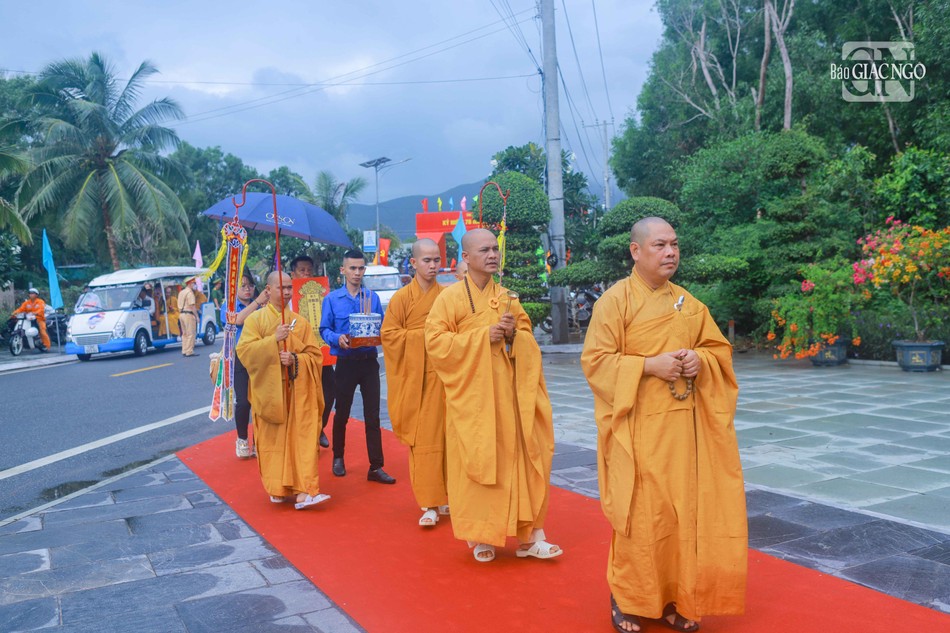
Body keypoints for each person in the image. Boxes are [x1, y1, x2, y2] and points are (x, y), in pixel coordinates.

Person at [580, 217, 746, 633]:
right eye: (660, 245)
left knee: (682, 518)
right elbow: (595, 363)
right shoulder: (614, 302)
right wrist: (647, 365)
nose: (670, 252)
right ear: (636, 251)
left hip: (683, 434)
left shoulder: (688, 303)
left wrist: (699, 361)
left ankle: (676, 596)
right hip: (635, 430)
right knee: (642, 518)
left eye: (674, 244)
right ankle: (628, 598)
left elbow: (716, 351)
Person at [425, 228, 561, 563]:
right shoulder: (450, 298)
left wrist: (514, 335)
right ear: (466, 258)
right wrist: (482, 336)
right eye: (484, 250)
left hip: (511, 400)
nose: (492, 255)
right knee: (479, 464)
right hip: (473, 400)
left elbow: (527, 340)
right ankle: (481, 534)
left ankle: (530, 537)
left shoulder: (509, 298)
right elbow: (436, 344)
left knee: (521, 463)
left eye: (495, 249)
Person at [236, 271, 329, 510]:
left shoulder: (301, 321)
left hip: (298, 393)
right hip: (270, 393)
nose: (287, 292)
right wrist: (272, 341)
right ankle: (277, 487)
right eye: (281, 287)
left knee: (302, 438)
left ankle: (303, 489)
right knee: (273, 442)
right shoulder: (255, 321)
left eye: (289, 287)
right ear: (268, 290)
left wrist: (295, 359)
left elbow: (315, 355)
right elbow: (244, 352)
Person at [381, 238, 449, 527]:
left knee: (448, 440)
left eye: (436, 260)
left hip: (445, 378)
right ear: (413, 263)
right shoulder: (400, 299)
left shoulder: (447, 296)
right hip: (416, 381)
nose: (433, 265)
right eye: (427, 260)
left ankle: (448, 496)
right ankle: (429, 503)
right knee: (424, 443)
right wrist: (424, 337)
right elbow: (390, 336)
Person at [319, 249, 396, 485]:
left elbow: (381, 326)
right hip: (345, 362)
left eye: (361, 268)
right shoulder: (332, 299)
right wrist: (337, 338)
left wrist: (380, 336)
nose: (357, 272)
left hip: (369, 362)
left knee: (373, 416)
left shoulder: (371, 297)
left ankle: (376, 466)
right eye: (352, 268)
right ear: (343, 270)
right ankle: (338, 457)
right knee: (341, 413)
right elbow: (324, 329)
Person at [224, 269, 270, 459]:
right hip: (239, 357)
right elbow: (238, 320)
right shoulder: (228, 306)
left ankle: (260, 440)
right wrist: (259, 302)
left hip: (260, 355)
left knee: (261, 401)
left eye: (250, 285)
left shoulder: (259, 305)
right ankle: (242, 439)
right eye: (242, 286)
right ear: (234, 289)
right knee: (244, 401)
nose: (247, 289)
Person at [290, 254, 333, 450]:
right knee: (303, 397)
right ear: (293, 273)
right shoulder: (288, 296)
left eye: (310, 270)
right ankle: (304, 434)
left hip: (321, 353)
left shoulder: (323, 293)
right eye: (302, 270)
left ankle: (319, 427)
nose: (307, 274)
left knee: (329, 392)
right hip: (298, 356)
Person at [177, 277, 200, 357]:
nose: (195, 285)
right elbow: (192, 306)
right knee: (191, 333)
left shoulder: (181, 292)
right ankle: (189, 351)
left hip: (181, 314)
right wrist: (197, 316)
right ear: (190, 284)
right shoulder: (190, 293)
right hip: (188, 314)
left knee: (184, 333)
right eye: (194, 283)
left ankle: (184, 350)